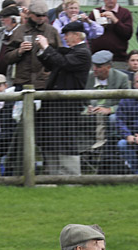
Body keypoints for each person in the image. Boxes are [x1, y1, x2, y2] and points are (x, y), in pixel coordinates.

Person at [35, 19, 91, 175]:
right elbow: (52, 63)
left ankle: (71, 176)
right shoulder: (71, 52)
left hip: (68, 105)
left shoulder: (83, 53)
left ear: (76, 35)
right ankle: (53, 174)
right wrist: (42, 50)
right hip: (55, 104)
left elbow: (63, 62)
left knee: (66, 139)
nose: (65, 38)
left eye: (67, 35)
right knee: (50, 137)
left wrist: (47, 47)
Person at [5, 0, 59, 90]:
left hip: (44, 82)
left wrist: (46, 49)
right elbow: (7, 58)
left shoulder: (52, 31)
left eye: (44, 15)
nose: (41, 18)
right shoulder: (19, 31)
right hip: (22, 82)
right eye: (38, 15)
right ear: (30, 13)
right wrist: (19, 51)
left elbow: (59, 58)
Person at [90, 0, 132, 69]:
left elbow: (127, 34)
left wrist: (115, 20)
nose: (111, 0)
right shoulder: (96, 12)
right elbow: (89, 33)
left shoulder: (125, 13)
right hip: (97, 58)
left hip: (117, 59)